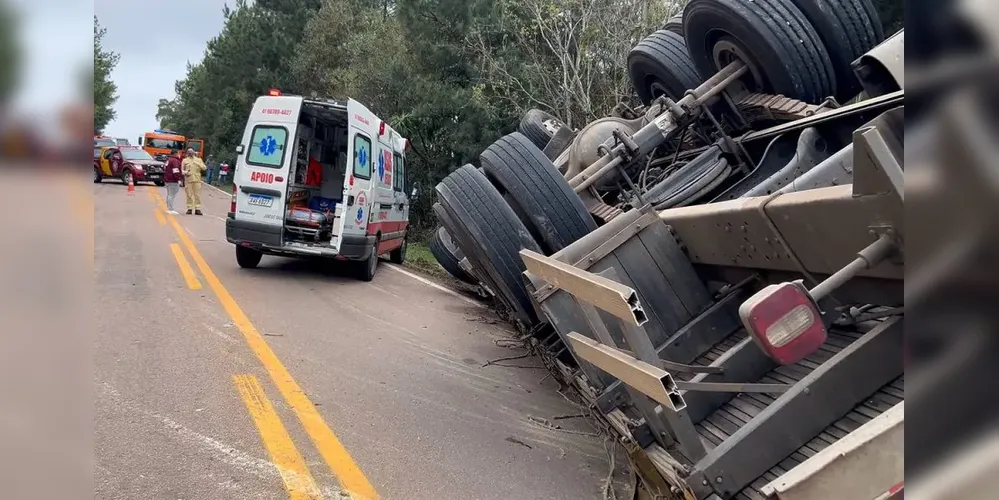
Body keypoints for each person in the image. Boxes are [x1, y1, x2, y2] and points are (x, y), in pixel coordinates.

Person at [181, 148, 207, 215]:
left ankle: (197, 209)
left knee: (197, 195)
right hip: (188, 179)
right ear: (187, 153)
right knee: (189, 194)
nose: (190, 153)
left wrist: (199, 164)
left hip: (197, 179)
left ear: (194, 153)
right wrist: (185, 172)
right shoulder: (185, 160)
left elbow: (204, 168)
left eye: (191, 152)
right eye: (189, 152)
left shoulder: (198, 160)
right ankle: (189, 208)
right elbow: (182, 170)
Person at [163, 149, 183, 215]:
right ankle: (170, 209)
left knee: (169, 194)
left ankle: (169, 208)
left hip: (167, 179)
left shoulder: (168, 160)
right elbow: (176, 170)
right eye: (178, 153)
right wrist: (178, 179)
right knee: (172, 195)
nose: (178, 154)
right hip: (173, 180)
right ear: (175, 154)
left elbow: (165, 169)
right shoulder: (175, 161)